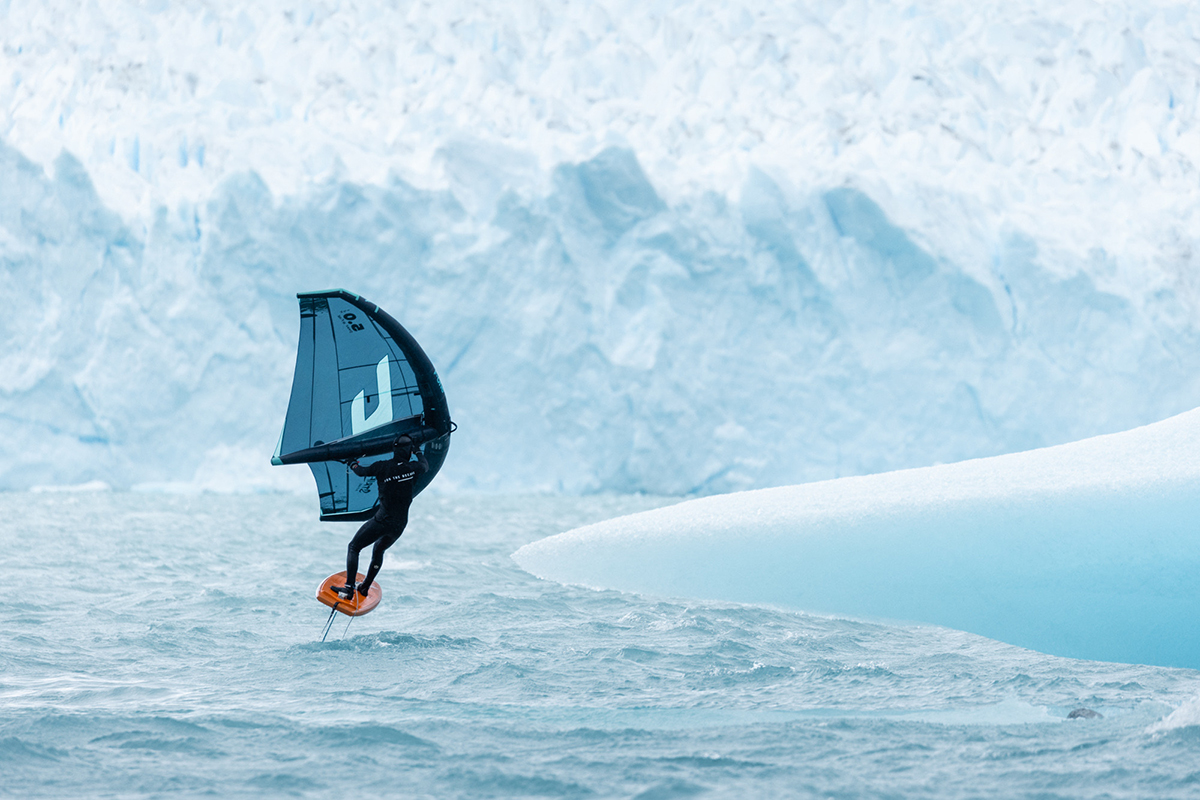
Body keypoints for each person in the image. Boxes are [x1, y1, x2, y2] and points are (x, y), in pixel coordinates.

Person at [334, 435, 429, 599]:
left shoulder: (382, 467)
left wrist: (351, 462)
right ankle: (364, 588)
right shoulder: (413, 468)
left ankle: (349, 588)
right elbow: (425, 466)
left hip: (382, 521)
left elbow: (360, 471)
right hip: (399, 525)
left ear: (395, 450)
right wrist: (418, 451)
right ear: (409, 452)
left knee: (354, 547)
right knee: (379, 550)